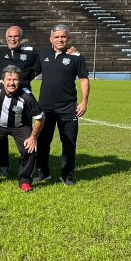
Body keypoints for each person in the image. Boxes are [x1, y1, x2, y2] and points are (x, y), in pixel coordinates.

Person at [34, 24, 90, 186]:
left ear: (68, 39)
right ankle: (43, 172)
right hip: (45, 107)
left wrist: (84, 101)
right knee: (43, 141)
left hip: (68, 107)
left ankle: (67, 175)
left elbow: (84, 79)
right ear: (50, 39)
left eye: (63, 37)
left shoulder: (76, 56)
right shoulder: (43, 54)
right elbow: (31, 72)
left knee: (69, 142)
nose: (60, 39)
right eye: (56, 37)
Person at [0, 65, 45, 192]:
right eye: (9, 80)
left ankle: (25, 180)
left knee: (29, 148)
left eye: (15, 80)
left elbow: (40, 117)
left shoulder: (27, 96)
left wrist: (33, 138)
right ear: (2, 81)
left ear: (19, 81)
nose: (12, 83)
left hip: (20, 126)